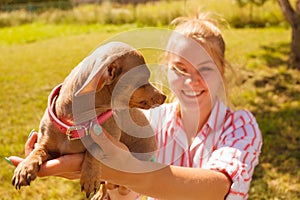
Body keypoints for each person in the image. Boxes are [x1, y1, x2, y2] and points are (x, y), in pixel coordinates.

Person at [7, 12, 262, 200]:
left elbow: (219, 188)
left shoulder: (240, 126)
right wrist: (119, 186)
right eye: (179, 68)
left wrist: (126, 170)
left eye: (204, 69)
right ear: (165, 69)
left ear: (221, 72)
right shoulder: (146, 120)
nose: (190, 80)